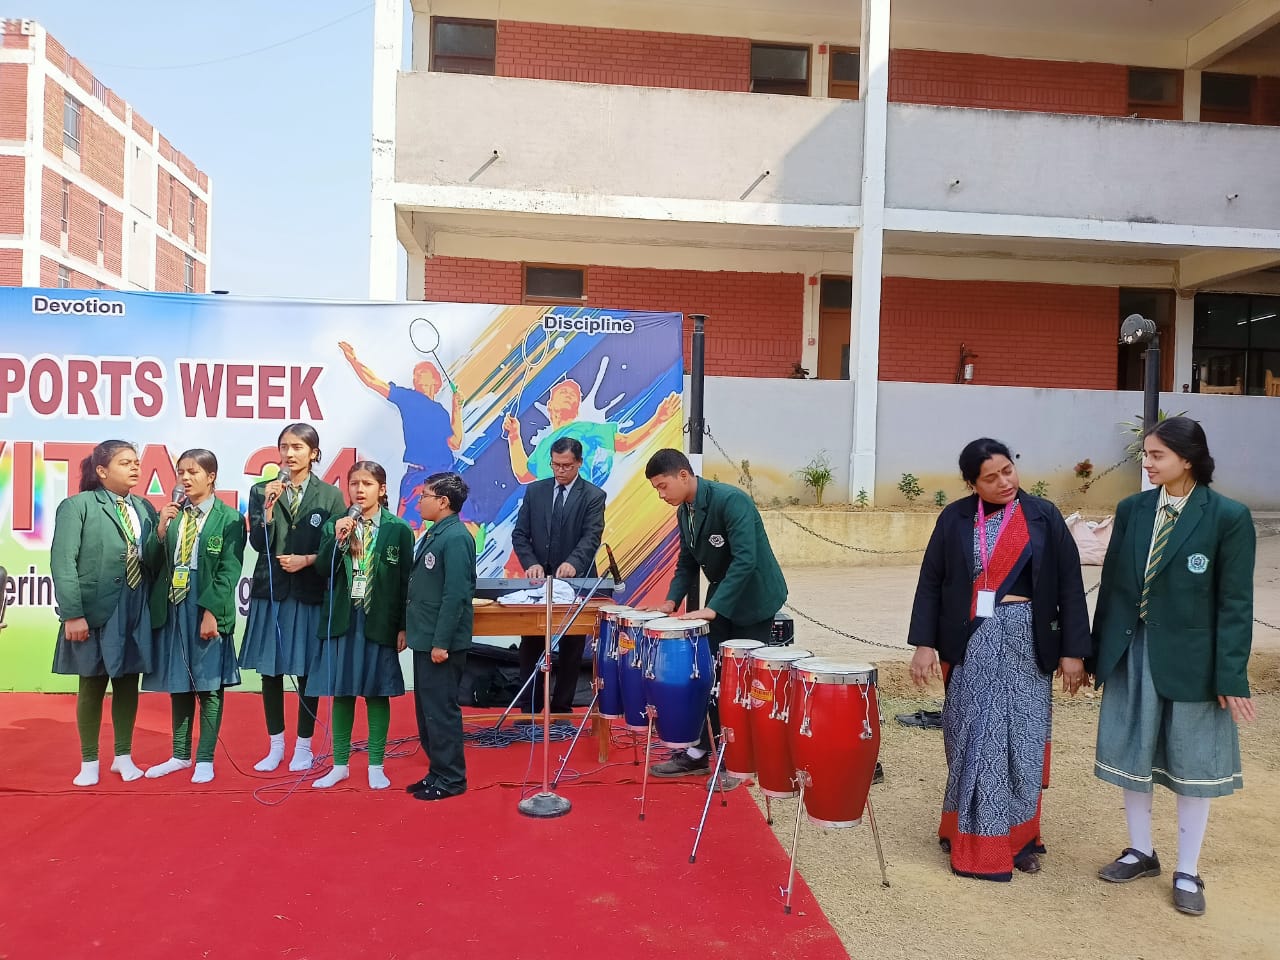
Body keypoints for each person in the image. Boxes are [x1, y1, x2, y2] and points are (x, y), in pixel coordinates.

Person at [1091, 416, 1256, 916]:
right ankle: (1141, 850)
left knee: (1192, 761)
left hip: (1194, 660)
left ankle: (1188, 868)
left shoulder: (1227, 516)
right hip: (1133, 649)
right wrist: (1098, 653)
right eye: (1146, 453)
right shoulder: (1133, 510)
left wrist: (1230, 675)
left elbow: (1235, 603)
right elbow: (1113, 587)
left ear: (1188, 459)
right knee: (1132, 751)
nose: (1147, 462)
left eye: (1157, 454)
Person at [908, 438, 1090, 881]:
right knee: (975, 737)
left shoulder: (1043, 515)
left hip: (1029, 642)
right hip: (971, 641)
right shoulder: (954, 518)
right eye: (990, 478)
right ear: (972, 483)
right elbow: (932, 581)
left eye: (1008, 470)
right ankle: (966, 831)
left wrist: (1073, 651)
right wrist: (924, 643)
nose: (1004, 482)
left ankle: (1019, 839)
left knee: (1021, 743)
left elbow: (1070, 583)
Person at [642, 448, 788, 787]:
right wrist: (670, 602)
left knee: (741, 683)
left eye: (663, 486)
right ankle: (700, 752)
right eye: (656, 489)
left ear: (683, 475)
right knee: (711, 677)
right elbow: (687, 562)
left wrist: (714, 608)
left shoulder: (731, 501)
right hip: (721, 598)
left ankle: (739, 762)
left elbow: (745, 560)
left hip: (754, 598)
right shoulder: (685, 512)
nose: (661, 495)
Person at [239, 423, 347, 773]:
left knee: (306, 671)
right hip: (271, 591)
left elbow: (335, 548)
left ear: (313, 453)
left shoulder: (330, 495)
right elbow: (258, 543)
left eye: (298, 447)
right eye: (284, 446)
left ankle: (303, 746)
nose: (289, 453)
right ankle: (276, 746)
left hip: (308, 592)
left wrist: (308, 560)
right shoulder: (261, 491)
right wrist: (268, 511)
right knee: (270, 671)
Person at [50, 441, 158, 787]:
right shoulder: (77, 506)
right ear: (101, 471)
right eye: (125, 462)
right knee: (92, 682)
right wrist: (73, 614)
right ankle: (89, 761)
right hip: (94, 609)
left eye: (136, 462)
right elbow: (63, 562)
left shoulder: (145, 508)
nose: (135, 468)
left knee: (128, 681)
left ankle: (123, 756)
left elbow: (153, 559)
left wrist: (162, 534)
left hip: (135, 605)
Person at [142, 450, 245, 784]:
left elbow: (229, 570)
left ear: (211, 476)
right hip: (174, 604)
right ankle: (179, 755)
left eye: (193, 472)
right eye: (181, 472)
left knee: (209, 686)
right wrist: (160, 529)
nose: (185, 478)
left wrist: (211, 612)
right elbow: (151, 564)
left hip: (205, 604)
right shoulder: (173, 514)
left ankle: (205, 758)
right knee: (179, 682)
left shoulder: (229, 519)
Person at [310, 461, 414, 790]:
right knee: (342, 692)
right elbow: (322, 570)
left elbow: (406, 582)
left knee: (376, 692)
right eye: (354, 483)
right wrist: (338, 539)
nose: (359, 490)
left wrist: (403, 626)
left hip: (379, 619)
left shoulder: (398, 529)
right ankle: (340, 764)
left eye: (367, 484)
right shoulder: (336, 525)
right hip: (345, 617)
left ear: (381, 489)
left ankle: (376, 765)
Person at [510, 437, 607, 717]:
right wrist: (531, 563)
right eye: (555, 465)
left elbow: (591, 537)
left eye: (566, 466)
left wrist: (573, 563)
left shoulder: (593, 496)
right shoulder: (535, 491)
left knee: (571, 646)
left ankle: (562, 709)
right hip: (539, 583)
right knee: (531, 644)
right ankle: (530, 708)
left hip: (575, 582)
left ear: (579, 463)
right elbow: (520, 535)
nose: (560, 470)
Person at [404, 472, 477, 802]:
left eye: (425, 496)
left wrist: (441, 642)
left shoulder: (456, 537)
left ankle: (451, 778)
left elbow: (456, 595)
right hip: (425, 637)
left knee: (442, 711)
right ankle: (437, 771)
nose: (420, 501)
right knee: (427, 712)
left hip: (440, 643)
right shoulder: (436, 533)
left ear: (443, 502)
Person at [339, 341, 463, 530]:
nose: (416, 377)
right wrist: (354, 360)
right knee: (405, 529)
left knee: (442, 529)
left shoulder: (441, 412)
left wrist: (456, 408)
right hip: (417, 477)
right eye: (415, 375)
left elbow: (455, 442)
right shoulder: (408, 398)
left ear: (435, 380)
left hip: (442, 476)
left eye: (422, 372)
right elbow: (373, 382)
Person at [502, 378, 680, 486]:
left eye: (574, 395)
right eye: (564, 392)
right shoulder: (543, 446)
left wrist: (658, 420)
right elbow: (524, 474)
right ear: (550, 405)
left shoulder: (587, 428)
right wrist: (514, 436)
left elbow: (624, 443)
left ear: (577, 406)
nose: (570, 395)